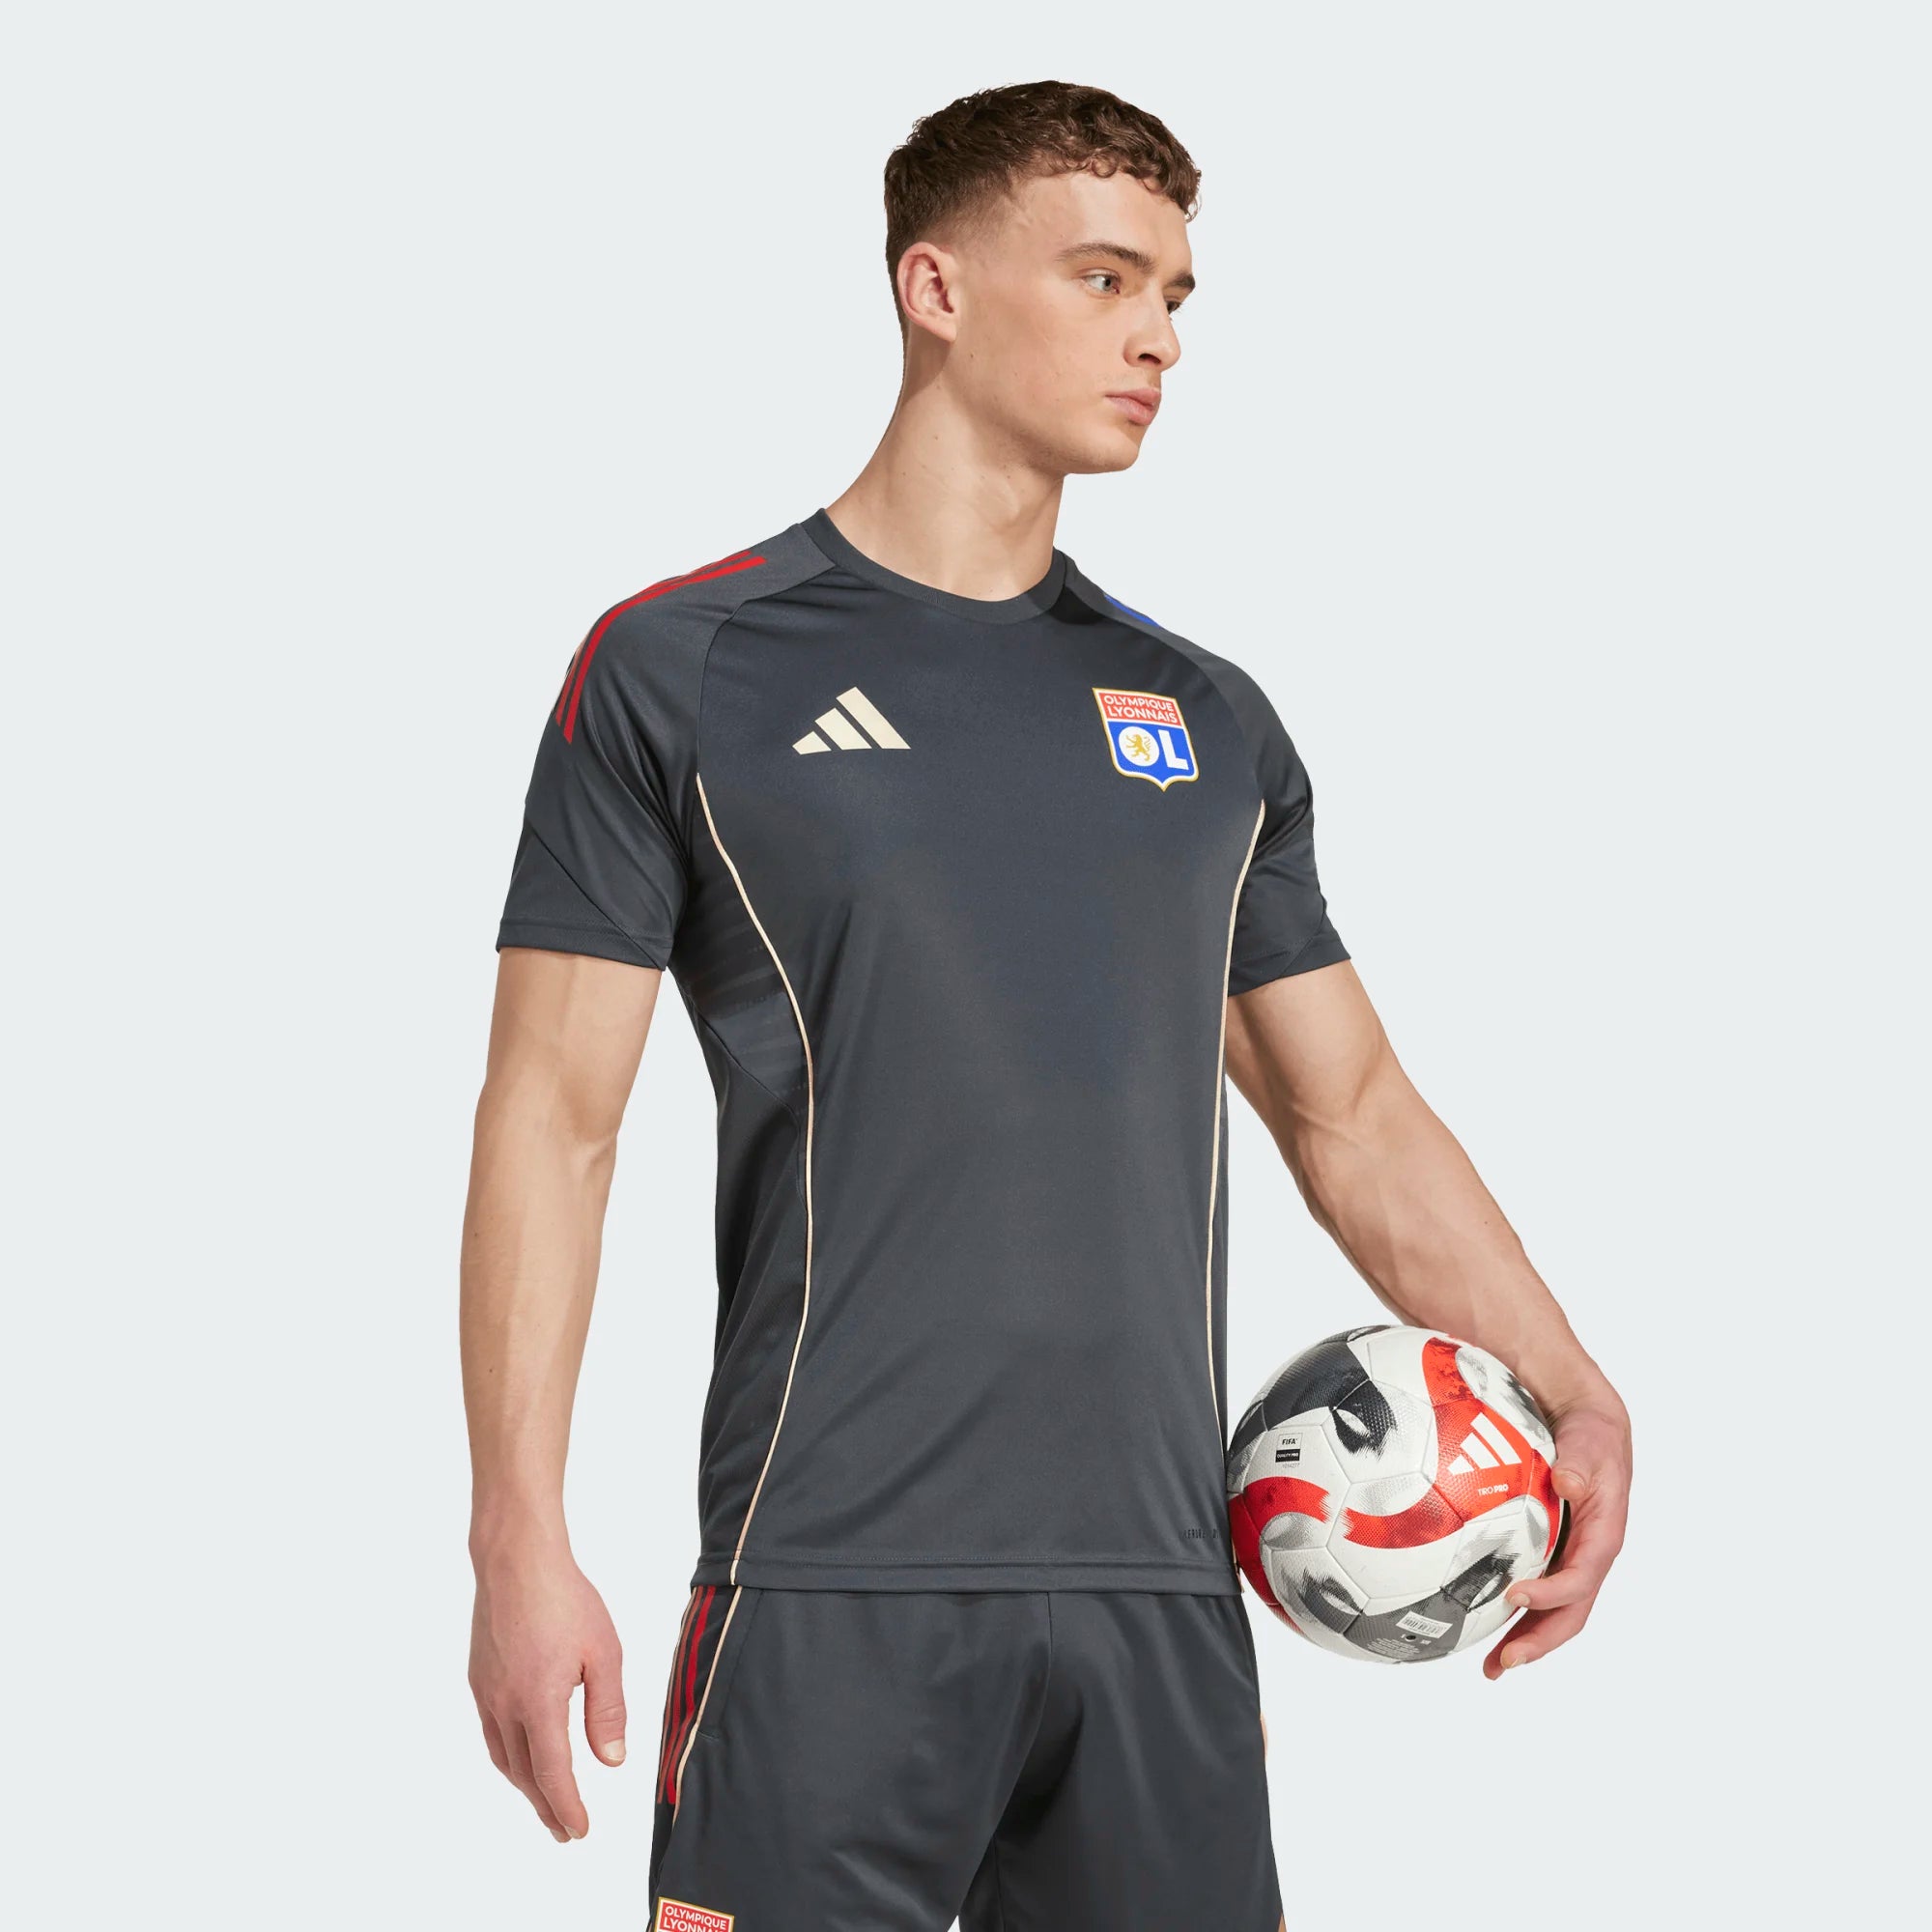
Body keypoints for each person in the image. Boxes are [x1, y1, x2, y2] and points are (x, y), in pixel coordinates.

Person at [460, 78, 1633, 1932]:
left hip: (1161, 1604)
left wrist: (1573, 1387)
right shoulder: (686, 669)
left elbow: (1349, 1113)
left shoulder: (1210, 722)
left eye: (1174, 292)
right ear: (934, 288)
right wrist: (517, 1534)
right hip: (825, 1590)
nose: (1158, 335)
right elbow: (554, 1119)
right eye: (1103, 279)